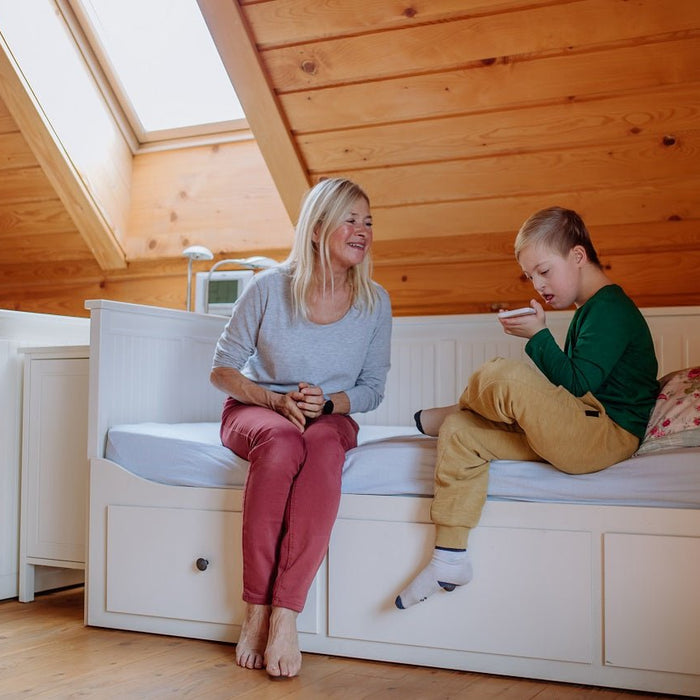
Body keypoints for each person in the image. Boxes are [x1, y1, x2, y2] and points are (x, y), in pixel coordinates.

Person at [395, 206, 658, 609]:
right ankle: (449, 558)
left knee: (502, 375)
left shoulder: (612, 308)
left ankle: (457, 409)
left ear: (577, 256)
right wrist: (542, 335)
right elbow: (571, 390)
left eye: (544, 271)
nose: (538, 284)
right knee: (461, 434)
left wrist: (538, 337)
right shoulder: (590, 309)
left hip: (605, 435)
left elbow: (576, 383)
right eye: (531, 276)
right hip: (581, 427)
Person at [210, 178, 392, 676]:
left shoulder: (375, 302)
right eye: (350, 219)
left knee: (323, 448)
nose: (362, 230)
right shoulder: (268, 287)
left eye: (368, 221)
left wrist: (329, 403)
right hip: (257, 410)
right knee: (283, 441)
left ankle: (286, 614)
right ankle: (256, 610)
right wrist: (274, 399)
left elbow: (374, 388)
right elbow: (222, 370)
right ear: (316, 228)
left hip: (330, 416)